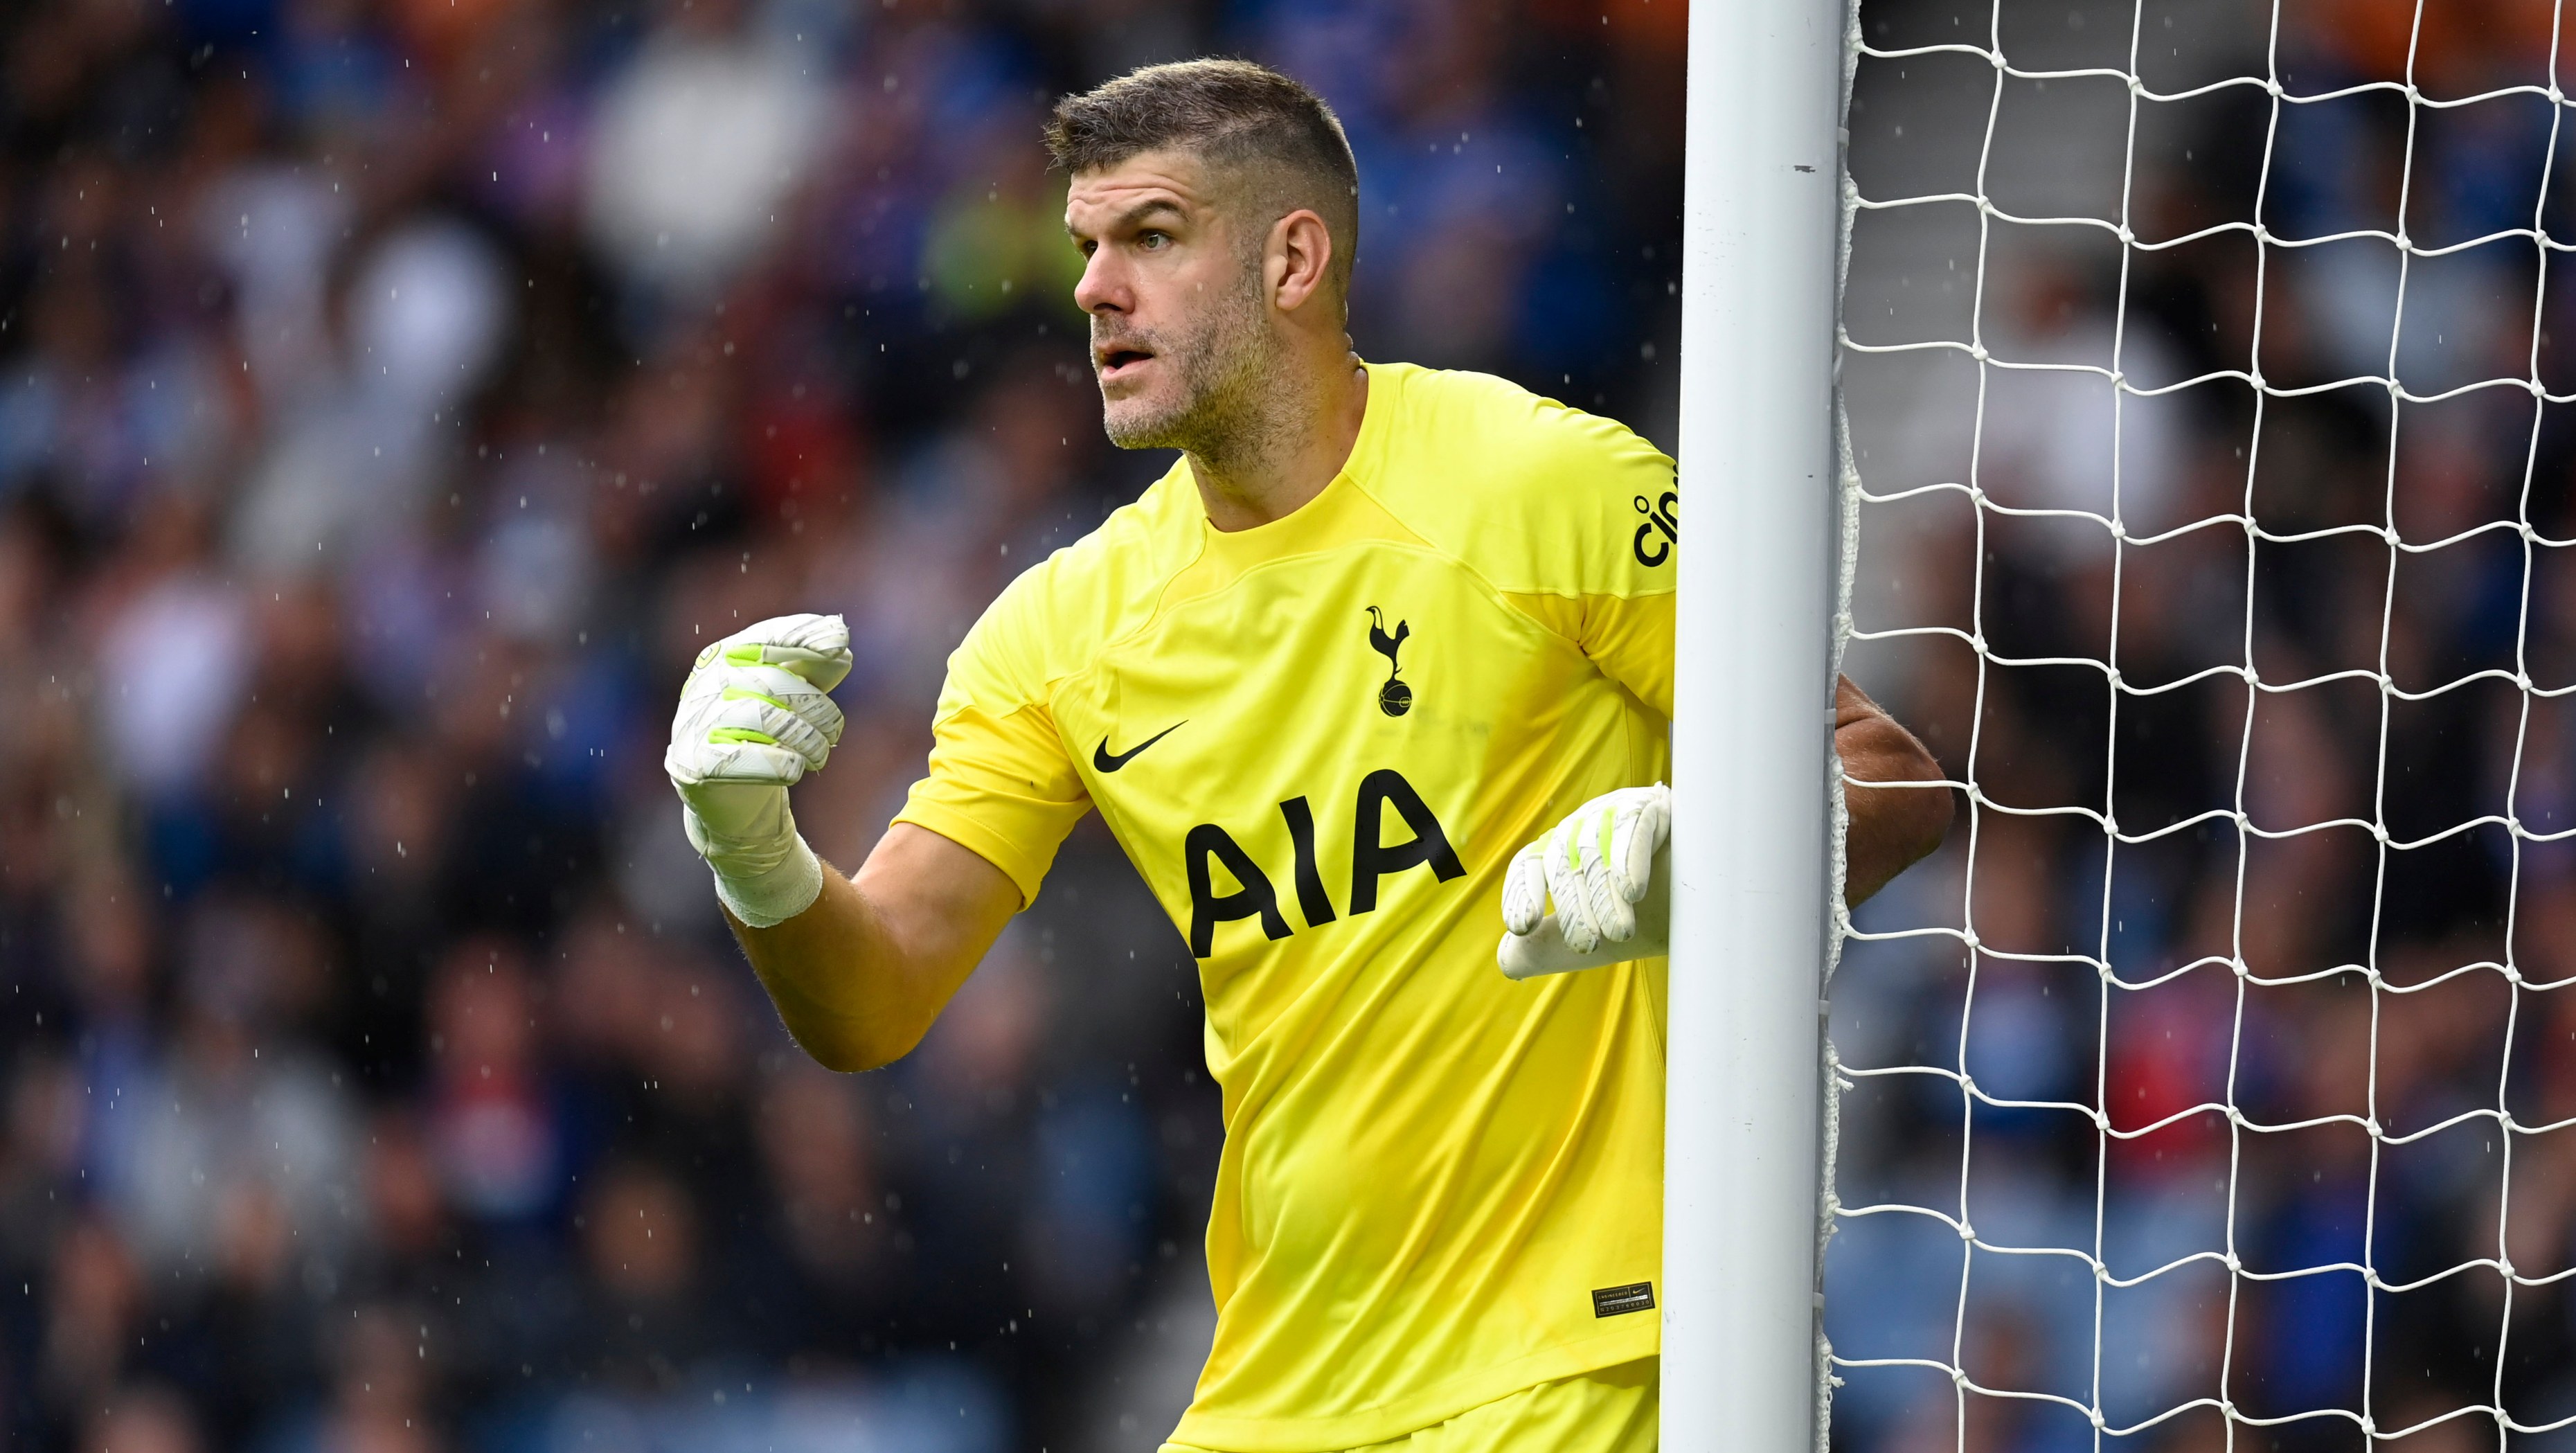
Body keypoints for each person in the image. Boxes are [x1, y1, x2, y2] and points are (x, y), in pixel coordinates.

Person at [662, 58, 1951, 1453]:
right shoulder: (1060, 632)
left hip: (1572, 1354)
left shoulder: (1538, 482)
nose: (1097, 287)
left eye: (1150, 237)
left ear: (1292, 257)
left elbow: (1889, 776)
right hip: (1282, 1387)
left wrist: (1672, 869)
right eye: (1086, 247)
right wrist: (755, 848)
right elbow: (874, 999)